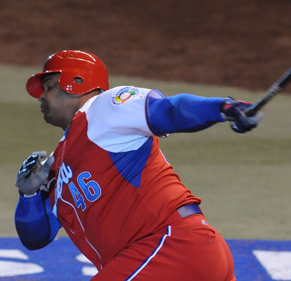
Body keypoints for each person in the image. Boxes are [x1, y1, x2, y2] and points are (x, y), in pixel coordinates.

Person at [15, 50, 262, 281]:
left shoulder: (105, 108)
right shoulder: (56, 165)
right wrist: (28, 195)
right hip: (171, 258)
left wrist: (222, 107)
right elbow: (36, 237)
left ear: (76, 82)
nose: (42, 96)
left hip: (172, 247)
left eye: (48, 87)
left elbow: (169, 111)